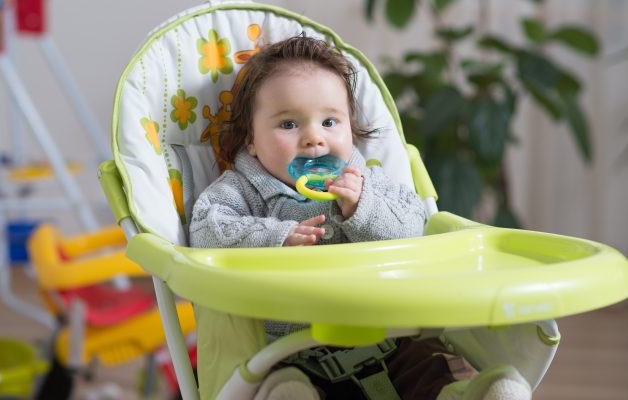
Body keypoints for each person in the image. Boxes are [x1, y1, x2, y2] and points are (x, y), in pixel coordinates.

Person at [189, 35, 531, 400]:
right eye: (289, 124)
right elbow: (206, 231)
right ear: (251, 140)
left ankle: (469, 395)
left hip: (388, 339)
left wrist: (362, 208)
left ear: (351, 128)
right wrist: (277, 237)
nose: (314, 139)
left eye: (330, 121)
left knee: (429, 362)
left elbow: (416, 228)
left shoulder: (369, 182)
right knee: (276, 382)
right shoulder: (241, 190)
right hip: (287, 350)